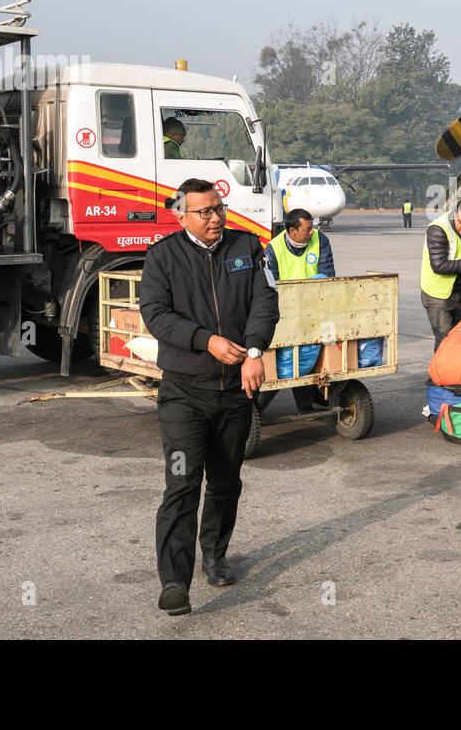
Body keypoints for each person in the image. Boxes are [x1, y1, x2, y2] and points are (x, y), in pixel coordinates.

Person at [140, 177, 279, 615]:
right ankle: (175, 583)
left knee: (225, 482)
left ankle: (215, 555)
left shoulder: (248, 248)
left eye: (218, 208)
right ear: (181, 215)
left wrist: (254, 350)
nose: (216, 217)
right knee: (182, 485)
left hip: (236, 390)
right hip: (185, 392)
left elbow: (265, 301)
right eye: (205, 212)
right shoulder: (162, 256)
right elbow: (156, 315)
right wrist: (206, 340)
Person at [263, 208, 335, 414]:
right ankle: (258, 406)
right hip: (285, 311)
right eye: (308, 229)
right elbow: (271, 284)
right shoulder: (273, 248)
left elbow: (327, 274)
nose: (312, 232)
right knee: (289, 360)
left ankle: (310, 402)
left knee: (306, 357)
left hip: (316, 308)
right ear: (293, 230)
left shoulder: (321, 240)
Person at [420, 205, 461, 350]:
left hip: (459, 291)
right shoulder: (438, 229)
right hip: (437, 294)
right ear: (455, 214)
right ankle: (438, 373)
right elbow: (438, 266)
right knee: (445, 342)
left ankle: (457, 372)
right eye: (460, 222)